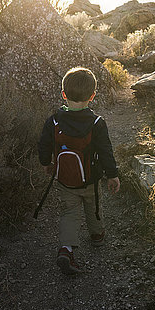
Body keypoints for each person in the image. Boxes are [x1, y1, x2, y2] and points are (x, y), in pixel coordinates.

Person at [38, 66, 120, 275]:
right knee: (93, 208)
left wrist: (47, 163)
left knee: (69, 213)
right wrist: (112, 175)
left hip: (65, 179)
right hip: (90, 181)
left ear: (63, 94)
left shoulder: (54, 121)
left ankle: (66, 249)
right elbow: (105, 152)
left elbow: (44, 145)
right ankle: (97, 236)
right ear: (92, 96)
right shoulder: (96, 123)